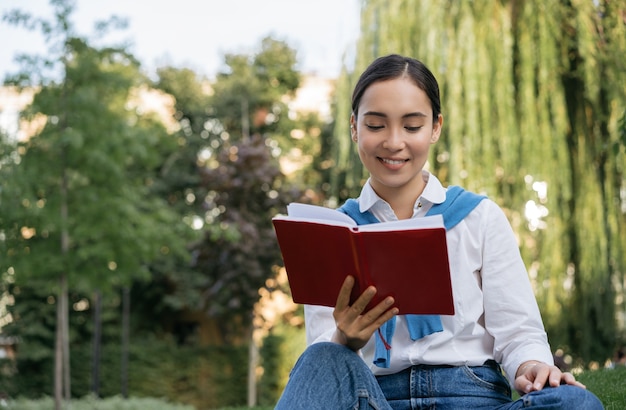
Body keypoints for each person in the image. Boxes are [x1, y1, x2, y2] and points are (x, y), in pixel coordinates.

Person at [275, 54, 604, 409]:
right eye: (375, 125)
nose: (394, 141)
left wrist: (533, 366)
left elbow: (518, 331)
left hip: (472, 396)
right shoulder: (332, 233)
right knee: (322, 357)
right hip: (375, 399)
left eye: (412, 126)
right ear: (354, 128)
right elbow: (323, 372)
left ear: (435, 128)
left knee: (575, 403)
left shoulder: (478, 218)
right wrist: (343, 338)